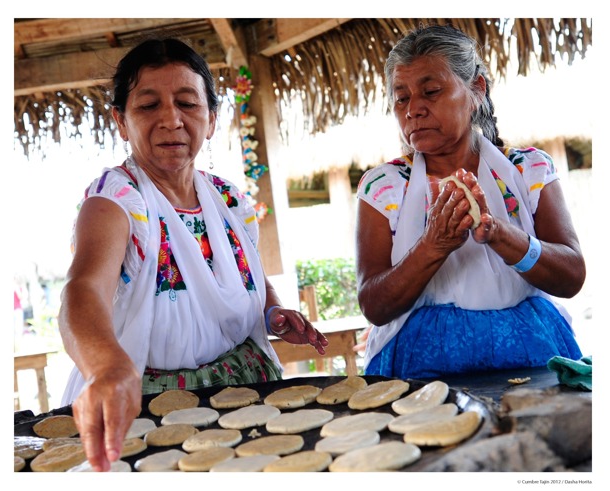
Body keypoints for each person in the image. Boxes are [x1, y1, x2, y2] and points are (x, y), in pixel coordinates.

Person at [58, 37, 328, 471]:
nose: (171, 119)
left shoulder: (229, 199)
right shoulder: (116, 201)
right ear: (120, 121)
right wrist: (106, 368)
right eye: (148, 106)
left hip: (245, 387)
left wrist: (273, 312)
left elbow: (248, 275)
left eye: (187, 103)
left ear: (212, 118)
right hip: (150, 407)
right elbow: (82, 289)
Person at [355, 25, 585, 382]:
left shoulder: (529, 170)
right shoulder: (384, 187)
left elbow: (571, 277)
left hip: (532, 350)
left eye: (431, 91)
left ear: (476, 90)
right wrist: (433, 246)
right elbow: (374, 305)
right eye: (401, 98)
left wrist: (500, 235)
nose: (414, 109)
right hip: (422, 365)